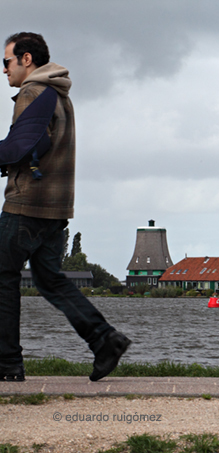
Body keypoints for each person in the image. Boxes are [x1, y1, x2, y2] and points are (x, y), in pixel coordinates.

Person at [0, 32, 130, 382]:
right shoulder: (60, 93)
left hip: (26, 202)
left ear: (27, 59)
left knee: (4, 279)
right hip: (57, 206)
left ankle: (7, 363)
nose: (4, 70)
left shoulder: (31, 92)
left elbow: (21, 147)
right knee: (50, 279)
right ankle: (105, 339)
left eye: (6, 61)